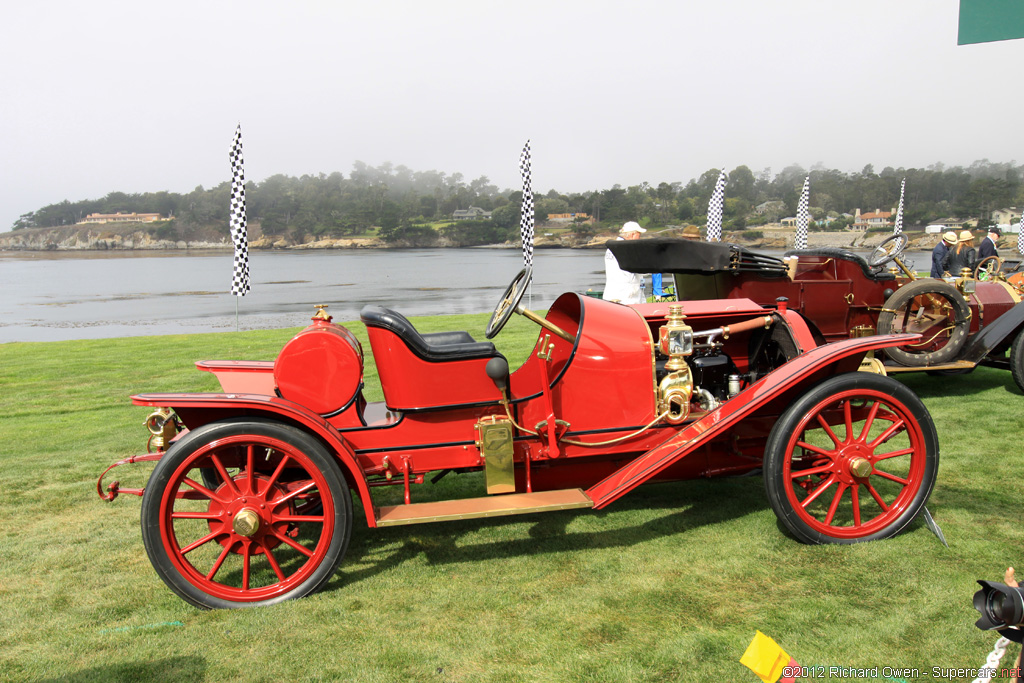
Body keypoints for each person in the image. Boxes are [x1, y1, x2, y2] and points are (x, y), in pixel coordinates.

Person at [603, 221, 646, 304]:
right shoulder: (627, 249)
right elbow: (641, 268)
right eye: (639, 235)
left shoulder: (612, 248)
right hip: (627, 297)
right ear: (632, 235)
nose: (639, 238)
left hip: (612, 293)